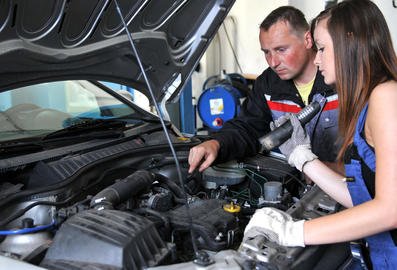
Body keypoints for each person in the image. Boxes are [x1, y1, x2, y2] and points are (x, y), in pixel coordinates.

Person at [243, 0, 397, 268]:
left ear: (350, 43)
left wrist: (292, 232)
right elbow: (362, 197)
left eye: (322, 48)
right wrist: (304, 159)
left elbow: (390, 210)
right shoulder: (369, 102)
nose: (316, 58)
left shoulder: (386, 96)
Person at [188, 6, 339, 174]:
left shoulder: (340, 81)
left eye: (281, 50)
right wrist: (216, 144)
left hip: (344, 186)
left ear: (308, 40)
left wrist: (325, 171)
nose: (273, 62)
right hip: (291, 185)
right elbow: (247, 128)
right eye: (266, 52)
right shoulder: (268, 84)